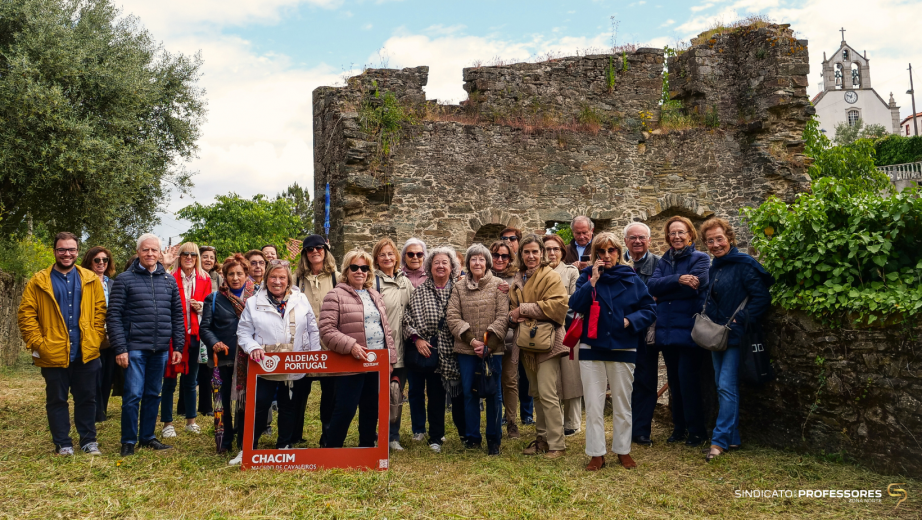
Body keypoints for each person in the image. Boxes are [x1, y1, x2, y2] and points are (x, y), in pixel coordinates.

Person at [570, 232, 656, 470]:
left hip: (623, 345)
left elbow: (649, 308)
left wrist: (630, 321)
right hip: (591, 345)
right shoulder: (587, 276)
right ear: (595, 254)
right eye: (601, 252)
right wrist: (593, 281)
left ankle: (622, 450)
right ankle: (596, 453)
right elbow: (575, 304)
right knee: (594, 403)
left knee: (622, 401)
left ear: (619, 252)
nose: (606, 256)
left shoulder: (632, 277)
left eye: (611, 250)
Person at [18, 232, 106, 455]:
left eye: (71, 249)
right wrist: (39, 344)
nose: (67, 254)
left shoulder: (90, 279)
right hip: (53, 352)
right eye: (62, 250)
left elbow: (100, 312)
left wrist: (95, 338)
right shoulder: (38, 281)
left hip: (86, 351)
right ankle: (63, 443)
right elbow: (26, 315)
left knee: (87, 398)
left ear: (77, 251)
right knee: (57, 400)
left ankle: (88, 440)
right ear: (55, 251)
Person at [700, 218, 773, 462]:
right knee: (722, 386)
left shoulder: (745, 264)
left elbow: (761, 297)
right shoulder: (716, 266)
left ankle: (719, 441)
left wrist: (740, 320)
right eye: (710, 241)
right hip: (716, 335)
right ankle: (733, 437)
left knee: (726, 386)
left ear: (729, 237)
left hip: (735, 335)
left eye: (719, 238)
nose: (715, 244)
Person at [107, 233, 185, 456]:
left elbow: (177, 316)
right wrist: (120, 348)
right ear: (138, 252)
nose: (150, 254)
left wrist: (177, 346)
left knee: (154, 394)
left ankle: (148, 437)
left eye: (154, 250)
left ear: (160, 254)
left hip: (160, 348)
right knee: (132, 395)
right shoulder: (124, 279)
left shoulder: (169, 281)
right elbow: (114, 316)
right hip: (134, 348)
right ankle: (128, 441)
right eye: (145, 250)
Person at [237, 259, 321, 449]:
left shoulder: (300, 299)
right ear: (266, 278)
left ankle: (284, 445)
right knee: (260, 405)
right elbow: (243, 332)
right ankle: (248, 446)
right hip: (265, 363)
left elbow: (312, 329)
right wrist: (253, 347)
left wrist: (313, 356)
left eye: (282, 277)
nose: (277, 281)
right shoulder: (253, 303)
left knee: (289, 405)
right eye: (273, 277)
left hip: (293, 362)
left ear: (288, 279)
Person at [319, 249, 397, 448]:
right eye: (355, 267)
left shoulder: (375, 295)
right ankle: (332, 449)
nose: (359, 271)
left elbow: (385, 329)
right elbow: (327, 330)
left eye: (364, 268)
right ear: (346, 270)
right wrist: (351, 346)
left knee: (371, 407)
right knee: (345, 408)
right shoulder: (335, 295)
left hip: (375, 360)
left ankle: (367, 447)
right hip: (350, 361)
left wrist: (389, 360)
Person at [644, 217, 711, 447]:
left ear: (690, 235)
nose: (677, 237)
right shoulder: (664, 260)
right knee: (674, 382)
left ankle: (697, 431)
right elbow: (652, 286)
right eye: (672, 233)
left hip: (689, 331)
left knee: (688, 381)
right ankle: (679, 427)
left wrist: (666, 290)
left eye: (681, 232)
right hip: (668, 332)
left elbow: (699, 285)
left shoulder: (700, 258)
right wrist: (679, 280)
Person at [509, 235, 569, 459]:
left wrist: (522, 310)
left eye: (535, 252)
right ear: (521, 254)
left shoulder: (551, 276)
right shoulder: (519, 277)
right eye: (527, 252)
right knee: (536, 393)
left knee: (548, 392)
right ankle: (542, 439)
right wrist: (512, 316)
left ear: (542, 253)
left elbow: (558, 306)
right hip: (526, 342)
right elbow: (511, 309)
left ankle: (557, 444)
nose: (531, 256)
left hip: (548, 341)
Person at [446, 243, 508, 455]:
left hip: (493, 350)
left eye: (482, 259)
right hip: (467, 351)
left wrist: (489, 345)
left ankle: (494, 439)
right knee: (469, 393)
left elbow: (503, 316)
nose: (477, 263)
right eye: (473, 259)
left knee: (494, 395)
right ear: (468, 263)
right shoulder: (458, 287)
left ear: (488, 262)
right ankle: (473, 437)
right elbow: (452, 316)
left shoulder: (499, 285)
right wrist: (472, 341)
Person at [402, 246, 460, 452]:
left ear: (452, 267)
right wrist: (417, 339)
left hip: (450, 352)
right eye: (436, 263)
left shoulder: (459, 289)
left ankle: (437, 435)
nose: (441, 266)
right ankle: (420, 430)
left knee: (437, 396)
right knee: (417, 391)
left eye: (445, 262)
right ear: (430, 267)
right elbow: (407, 318)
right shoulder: (420, 291)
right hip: (423, 350)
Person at [200, 254, 255, 464]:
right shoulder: (213, 299)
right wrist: (214, 342)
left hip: (247, 359)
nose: (235, 278)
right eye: (230, 273)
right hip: (221, 359)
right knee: (221, 402)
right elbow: (205, 327)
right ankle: (224, 440)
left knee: (243, 402)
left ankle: (243, 439)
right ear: (224, 275)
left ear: (246, 274)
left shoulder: (256, 297)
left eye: (239, 273)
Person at [292, 234, 340, 447]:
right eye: (310, 249)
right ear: (305, 253)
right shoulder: (296, 279)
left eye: (319, 248)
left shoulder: (338, 278)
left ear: (325, 251)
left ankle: (327, 436)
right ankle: (293, 434)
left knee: (330, 394)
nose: (315, 252)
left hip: (330, 344)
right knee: (299, 392)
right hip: (302, 344)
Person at [160, 242, 211, 438]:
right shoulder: (169, 277)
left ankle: (191, 420)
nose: (189, 258)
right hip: (173, 337)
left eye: (193, 254)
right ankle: (167, 423)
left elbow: (209, 308)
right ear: (179, 257)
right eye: (185, 254)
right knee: (170, 381)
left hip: (195, 336)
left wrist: (201, 308)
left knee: (191, 381)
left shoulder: (204, 279)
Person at [622, 222, 663, 447]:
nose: (638, 241)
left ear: (649, 240)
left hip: (647, 331)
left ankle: (641, 430)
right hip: (621, 330)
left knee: (646, 381)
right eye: (633, 238)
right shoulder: (619, 262)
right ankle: (623, 428)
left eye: (642, 238)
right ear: (626, 241)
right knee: (622, 382)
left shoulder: (660, 264)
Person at [372, 238, 414, 451]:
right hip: (380, 349)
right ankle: (373, 434)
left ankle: (393, 436)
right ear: (376, 259)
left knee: (396, 393)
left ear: (397, 257)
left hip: (402, 348)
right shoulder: (373, 282)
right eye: (382, 255)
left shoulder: (405, 281)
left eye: (390, 254)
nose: (387, 258)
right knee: (377, 394)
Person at [489, 239, 532, 436]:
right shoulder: (482, 276)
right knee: (492, 381)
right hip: (490, 338)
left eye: (504, 256)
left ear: (510, 258)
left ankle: (512, 421)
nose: (499, 259)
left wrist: (511, 294)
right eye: (496, 255)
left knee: (510, 380)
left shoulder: (517, 279)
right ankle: (495, 420)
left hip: (510, 336)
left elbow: (523, 305)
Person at [543, 234, 582, 437]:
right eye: (547, 249)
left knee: (570, 376)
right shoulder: (536, 274)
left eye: (555, 249)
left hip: (568, 328)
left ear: (562, 251)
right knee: (550, 379)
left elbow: (575, 299)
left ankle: (572, 422)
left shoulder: (570, 271)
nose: (551, 253)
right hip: (543, 331)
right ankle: (553, 422)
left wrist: (549, 302)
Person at [80, 246, 118, 423]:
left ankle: (102, 410)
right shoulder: (82, 282)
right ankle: (94, 412)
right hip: (91, 335)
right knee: (93, 374)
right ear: (89, 262)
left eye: (105, 260)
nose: (101, 263)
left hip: (111, 336)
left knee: (108, 375)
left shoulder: (112, 284)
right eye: (97, 260)